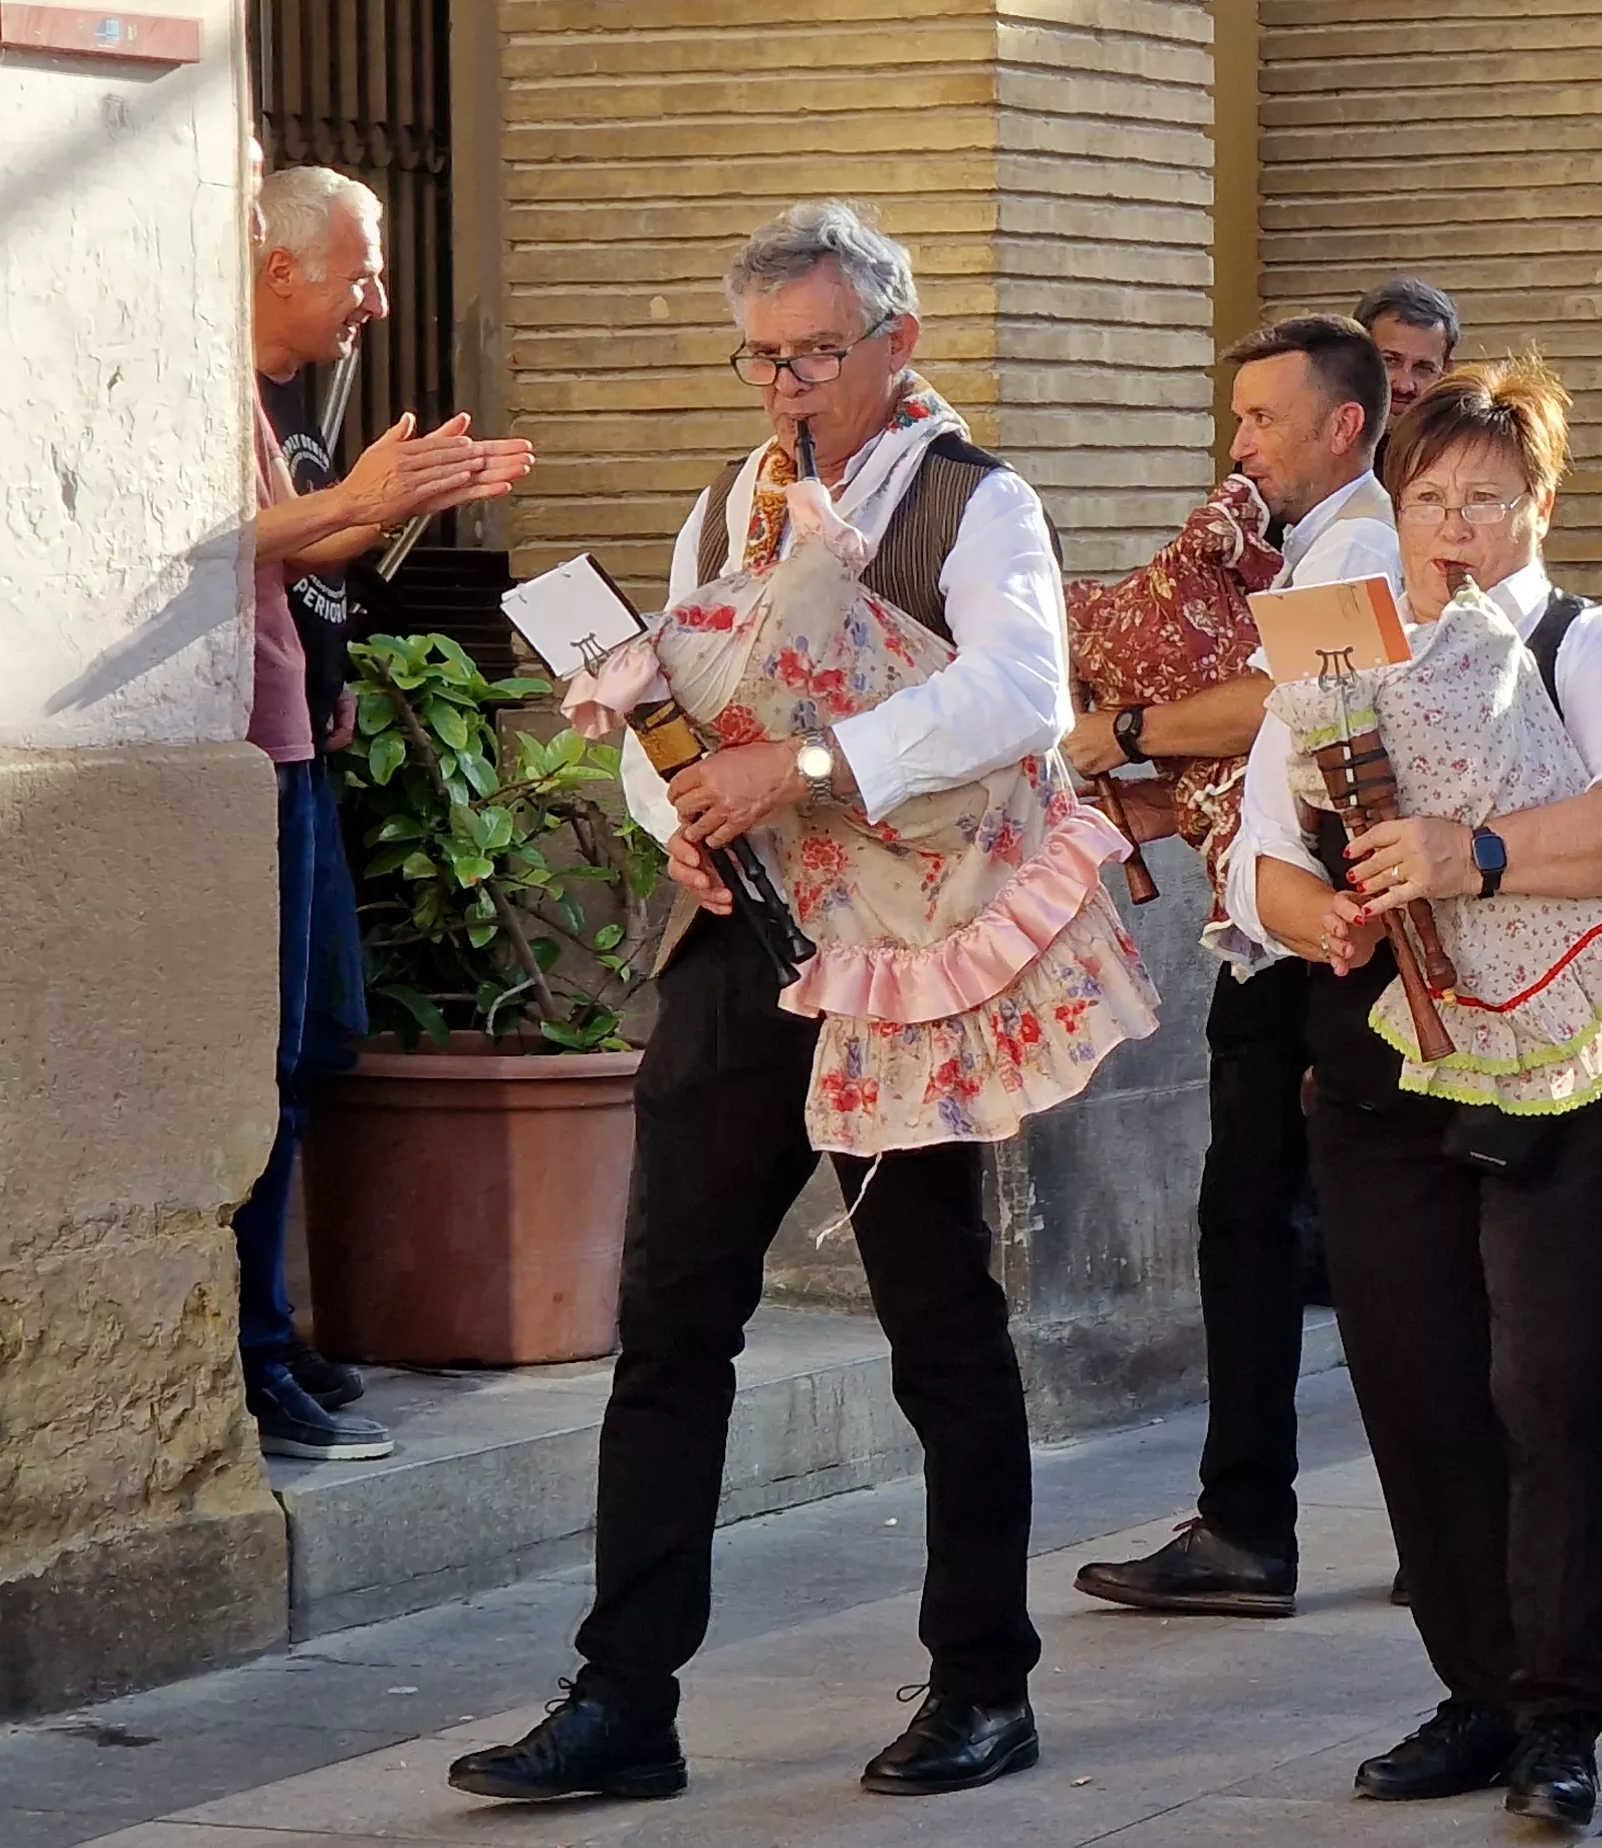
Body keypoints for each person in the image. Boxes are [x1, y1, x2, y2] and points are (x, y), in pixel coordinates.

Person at [448, 199, 1138, 1805]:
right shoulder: (723, 510)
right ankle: (626, 1699)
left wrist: (807, 767)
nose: (784, 391)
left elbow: (1023, 695)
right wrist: (673, 819)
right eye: (761, 360)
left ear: (900, 343)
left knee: (937, 1323)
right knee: (670, 1321)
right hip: (735, 959)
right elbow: (662, 717)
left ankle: (984, 1682)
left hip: (901, 966)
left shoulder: (976, 499)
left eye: (816, 355)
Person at [1223, 357, 1602, 1833]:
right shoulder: (1336, 667)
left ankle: (1562, 1713)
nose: (1455, 528)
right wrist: (1313, 914)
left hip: (1593, 1058)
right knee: (1421, 1388)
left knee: (1557, 1384)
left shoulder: (1590, 642)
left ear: (1539, 506)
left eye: (1487, 502)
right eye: (1430, 499)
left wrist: (1473, 853)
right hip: (1390, 1062)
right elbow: (1260, 849)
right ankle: (1479, 1692)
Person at [1072, 314, 1403, 1621]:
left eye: (1264, 417)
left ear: (1344, 425)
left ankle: (1262, 1523)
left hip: (1327, 943)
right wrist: (1160, 797)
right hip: (1287, 929)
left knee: (1317, 1236)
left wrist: (1126, 731)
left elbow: (1293, 703)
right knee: (1275, 1230)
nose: (1239, 442)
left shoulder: (1364, 543)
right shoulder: (1324, 546)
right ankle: (1257, 1519)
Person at [238, 163, 531, 1461]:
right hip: (245, 758)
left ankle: (273, 1329)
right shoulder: (203, 384)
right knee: (272, 1067)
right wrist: (362, 500)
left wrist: (385, 511)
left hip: (302, 738)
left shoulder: (288, 392)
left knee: (320, 1045)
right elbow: (224, 540)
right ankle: (249, 1356)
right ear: (279, 265)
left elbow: (300, 550)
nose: (378, 301)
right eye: (359, 272)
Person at [1355, 277, 1463, 423]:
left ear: (1446, 374)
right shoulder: (1321, 435)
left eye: (1423, 368)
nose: (1404, 386)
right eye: (1390, 361)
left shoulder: (1460, 442)